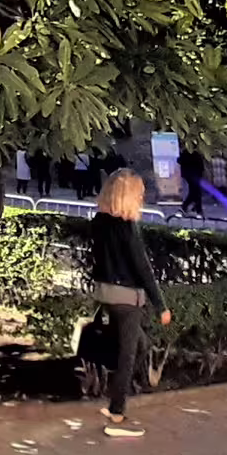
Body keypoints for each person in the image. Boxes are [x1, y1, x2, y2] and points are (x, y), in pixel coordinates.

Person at [91, 168, 169, 438]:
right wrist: (161, 305)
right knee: (128, 355)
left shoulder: (99, 221)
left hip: (106, 293)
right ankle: (117, 412)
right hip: (127, 297)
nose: (143, 197)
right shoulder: (127, 227)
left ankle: (116, 394)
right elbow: (142, 267)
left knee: (139, 345)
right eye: (140, 193)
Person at [181, 147, 206, 219]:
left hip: (190, 175)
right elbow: (200, 164)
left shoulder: (186, 153)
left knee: (194, 192)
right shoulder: (194, 154)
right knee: (196, 193)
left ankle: (188, 207)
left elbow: (180, 161)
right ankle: (197, 210)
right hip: (194, 175)